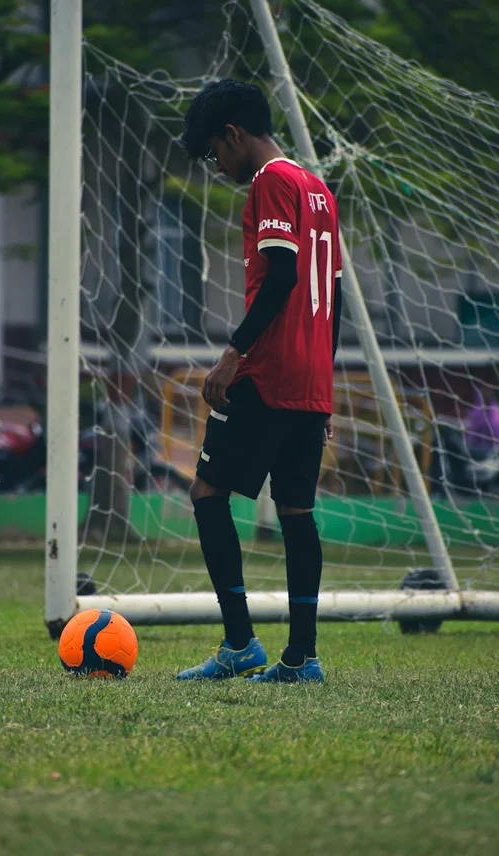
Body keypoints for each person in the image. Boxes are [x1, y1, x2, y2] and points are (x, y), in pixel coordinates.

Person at [177, 79, 342, 684]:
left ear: (234, 134)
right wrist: (324, 385)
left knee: (207, 493)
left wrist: (232, 354)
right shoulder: (319, 190)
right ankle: (302, 658)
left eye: (214, 153)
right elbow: (334, 297)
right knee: (296, 509)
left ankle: (240, 643)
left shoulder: (271, 180)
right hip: (310, 377)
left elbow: (282, 276)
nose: (218, 167)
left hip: (268, 372)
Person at [464, 385, 499, 459]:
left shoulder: (496, 410)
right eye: (485, 391)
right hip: (475, 449)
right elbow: (469, 430)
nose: (487, 394)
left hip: (494, 449)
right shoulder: (475, 410)